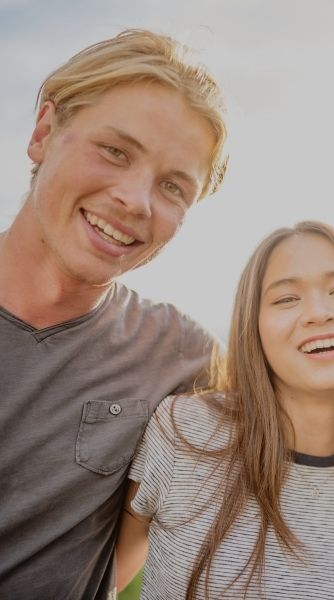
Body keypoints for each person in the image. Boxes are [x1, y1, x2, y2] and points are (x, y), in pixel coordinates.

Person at [0, 29, 228, 598]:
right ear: (44, 132)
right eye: (115, 151)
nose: (136, 200)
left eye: (173, 186)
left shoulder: (182, 357)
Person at [115, 222, 334, 599]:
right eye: (287, 299)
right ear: (252, 328)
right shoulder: (185, 430)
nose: (318, 313)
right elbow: (104, 580)